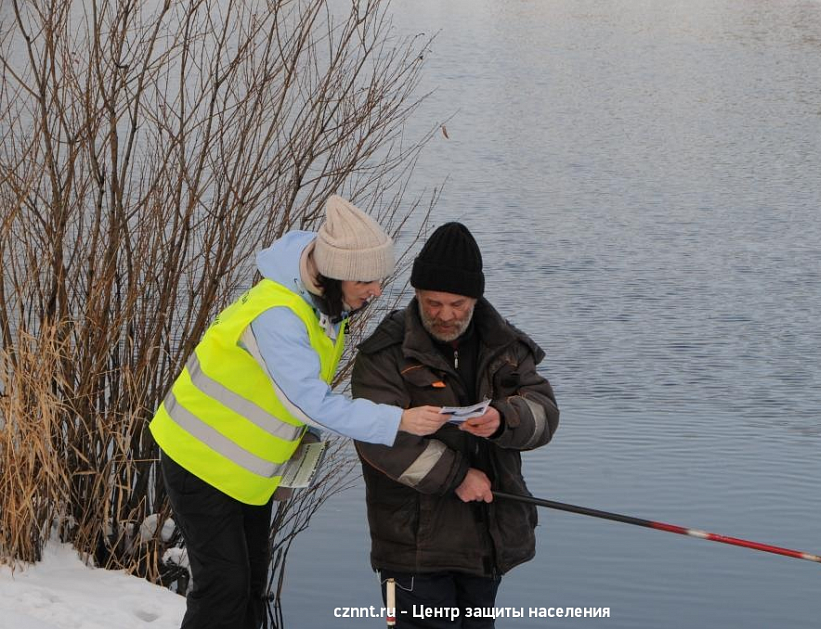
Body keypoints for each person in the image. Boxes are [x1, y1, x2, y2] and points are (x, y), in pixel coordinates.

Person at [149, 195, 449, 629]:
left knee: (251, 584)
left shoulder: (322, 304)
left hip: (245, 471)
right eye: (367, 280)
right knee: (223, 586)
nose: (377, 291)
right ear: (335, 273)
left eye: (379, 278)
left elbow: (285, 402)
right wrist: (396, 420)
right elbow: (307, 400)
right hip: (198, 460)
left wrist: (293, 456)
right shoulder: (279, 315)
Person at [351, 222, 559, 628]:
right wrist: (457, 476)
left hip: (488, 543)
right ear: (416, 294)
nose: (445, 315)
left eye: (458, 304)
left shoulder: (509, 348)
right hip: (412, 550)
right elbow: (377, 437)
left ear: (476, 298)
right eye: (433, 303)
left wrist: (503, 419)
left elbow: (544, 415)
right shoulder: (385, 353)